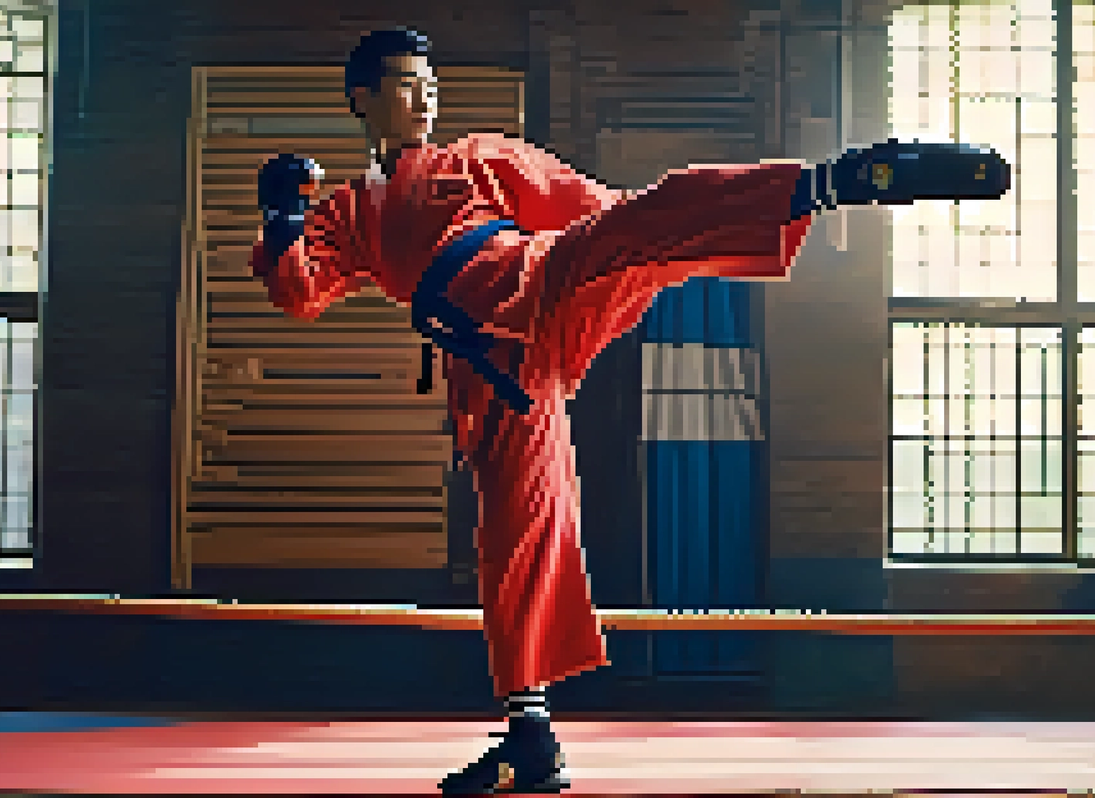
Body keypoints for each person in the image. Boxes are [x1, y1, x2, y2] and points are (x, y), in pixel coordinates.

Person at [250, 27, 1008, 794]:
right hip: (492, 369)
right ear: (362, 98)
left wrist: (658, 246)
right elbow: (299, 290)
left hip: (544, 285)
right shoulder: (350, 212)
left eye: (431, 82)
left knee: (644, 219)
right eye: (406, 83)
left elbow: (598, 210)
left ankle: (830, 184)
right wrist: (282, 215)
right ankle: (530, 737)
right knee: (514, 537)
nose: (425, 97)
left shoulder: (480, 157)